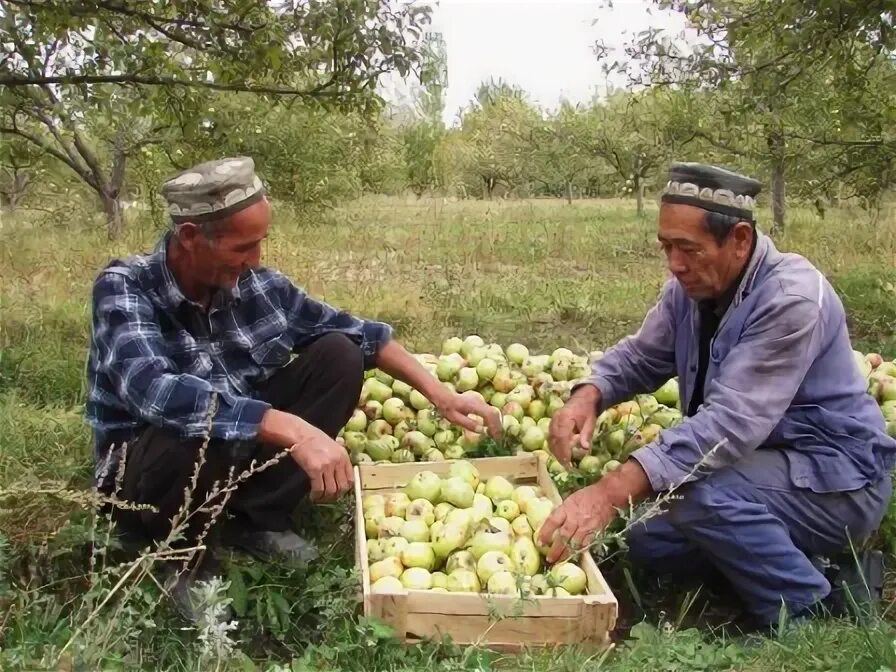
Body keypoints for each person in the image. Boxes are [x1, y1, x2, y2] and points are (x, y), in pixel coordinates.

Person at [85, 156, 500, 621]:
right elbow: (154, 392)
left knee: (339, 354)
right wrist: (291, 429)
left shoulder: (260, 286)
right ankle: (183, 556)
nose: (255, 260)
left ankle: (257, 516)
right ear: (189, 237)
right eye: (242, 246)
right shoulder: (125, 288)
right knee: (195, 421)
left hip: (233, 453)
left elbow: (363, 335)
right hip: (150, 475)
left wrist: (442, 395)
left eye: (260, 243)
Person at [539, 162, 896, 632]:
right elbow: (641, 357)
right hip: (764, 469)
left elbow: (727, 427)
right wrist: (589, 394)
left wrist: (609, 490)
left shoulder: (791, 298)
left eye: (688, 248)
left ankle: (806, 611)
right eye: (666, 247)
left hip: (835, 481)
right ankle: (805, 564)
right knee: (643, 535)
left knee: (690, 489)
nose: (674, 263)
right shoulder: (690, 289)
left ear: (740, 240)